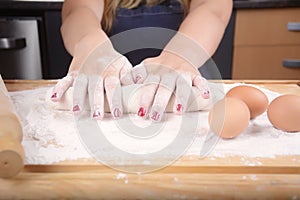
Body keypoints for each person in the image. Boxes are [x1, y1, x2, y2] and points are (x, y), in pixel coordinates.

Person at [50, 0, 233, 122]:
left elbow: (212, 11)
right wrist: (90, 46)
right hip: (105, 90)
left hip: (184, 88)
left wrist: (180, 56)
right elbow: (78, 11)